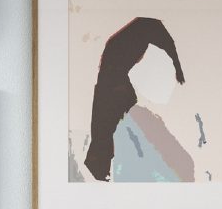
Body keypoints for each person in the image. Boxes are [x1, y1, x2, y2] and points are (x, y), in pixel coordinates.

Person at [84, 17, 196, 184]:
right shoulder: (138, 34)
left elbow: (167, 43)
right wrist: (177, 67)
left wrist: (177, 66)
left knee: (106, 125)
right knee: (105, 126)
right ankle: (99, 167)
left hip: (113, 84)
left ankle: (99, 166)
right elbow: (167, 43)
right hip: (112, 84)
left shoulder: (134, 35)